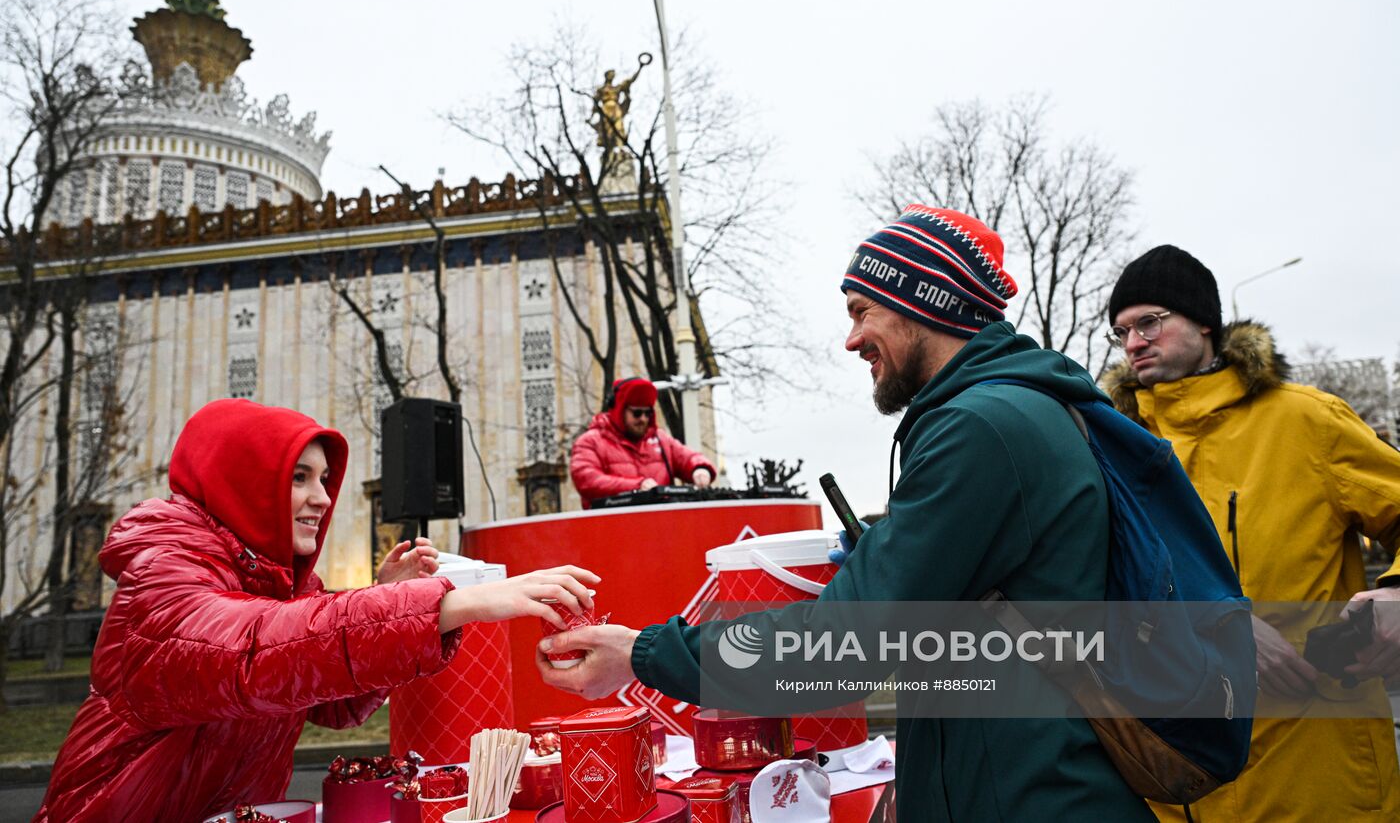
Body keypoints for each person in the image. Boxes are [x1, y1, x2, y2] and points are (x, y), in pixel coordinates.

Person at [540, 205, 1155, 821]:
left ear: (926, 303)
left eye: (863, 311)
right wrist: (892, 557)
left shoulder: (980, 428)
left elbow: (843, 643)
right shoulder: (1012, 409)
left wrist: (644, 655)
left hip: (1034, 797)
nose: (852, 338)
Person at [35, 398, 599, 823]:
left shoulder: (281, 585)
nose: (322, 499)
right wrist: (447, 601)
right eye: (298, 478)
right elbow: (251, 650)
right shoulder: (162, 572)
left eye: (324, 479)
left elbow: (334, 704)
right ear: (242, 484)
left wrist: (384, 599)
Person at [1102, 245, 1400, 823]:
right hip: (1177, 784)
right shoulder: (1111, 451)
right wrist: (1222, 625)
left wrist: (1396, 592)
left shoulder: (1308, 421)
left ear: (1205, 322)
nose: (1134, 341)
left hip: (1317, 774)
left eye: (1150, 322)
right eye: (1121, 331)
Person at [569, 376, 716, 508]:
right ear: (619, 410)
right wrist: (636, 486)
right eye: (637, 413)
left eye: (648, 413)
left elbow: (688, 457)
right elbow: (587, 481)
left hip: (661, 528)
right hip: (611, 530)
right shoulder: (590, 442)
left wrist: (700, 469)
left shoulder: (661, 439)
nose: (643, 419)